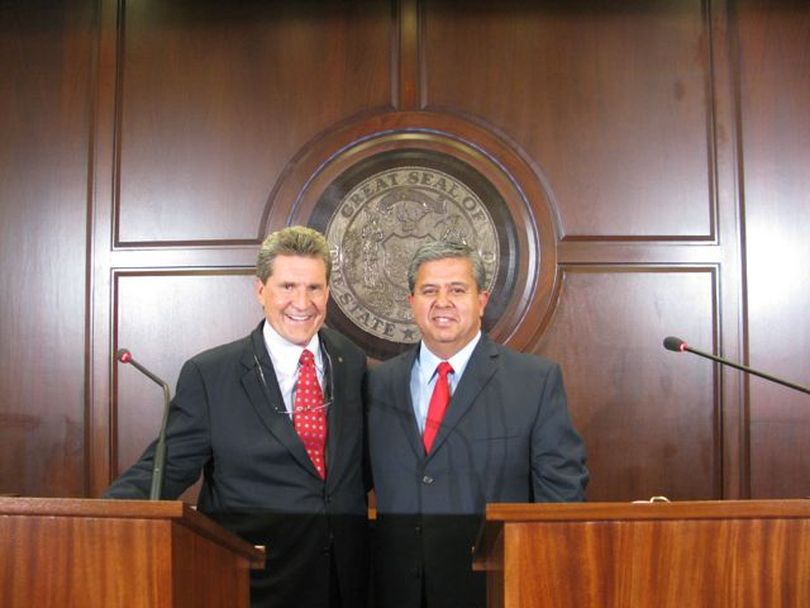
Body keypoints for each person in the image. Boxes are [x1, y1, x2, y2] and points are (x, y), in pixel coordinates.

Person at [105, 226, 369, 608]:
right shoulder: (211, 374)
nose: (302, 301)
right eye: (288, 286)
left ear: (328, 291)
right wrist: (99, 517)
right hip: (254, 581)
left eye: (314, 288)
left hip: (344, 582)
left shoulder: (351, 361)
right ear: (260, 290)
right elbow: (163, 470)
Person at [367, 241, 588, 608]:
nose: (442, 302)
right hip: (396, 591)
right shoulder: (376, 384)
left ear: (482, 300)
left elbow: (562, 496)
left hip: (496, 589)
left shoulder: (534, 381)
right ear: (411, 303)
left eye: (457, 289)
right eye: (429, 291)